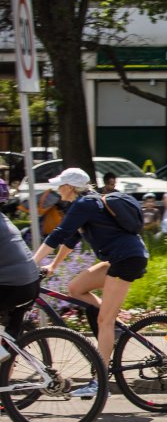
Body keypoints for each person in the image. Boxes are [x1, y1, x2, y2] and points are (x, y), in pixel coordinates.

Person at [32, 168, 149, 397]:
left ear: (70, 188)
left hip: (126, 259)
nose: (58, 189)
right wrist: (53, 266)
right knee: (76, 288)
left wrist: (32, 261)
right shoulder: (87, 204)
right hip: (120, 257)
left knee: (105, 320)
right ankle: (106, 318)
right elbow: (72, 238)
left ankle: (100, 382)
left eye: (61, 185)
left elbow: (58, 234)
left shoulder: (84, 204)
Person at [0, 213, 42, 363]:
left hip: (14, 287)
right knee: (9, 345)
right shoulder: (3, 218)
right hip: (30, 284)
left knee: (3, 351)